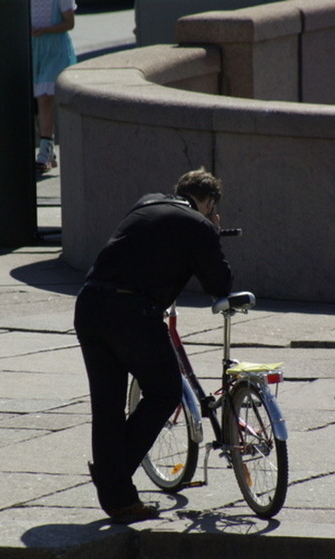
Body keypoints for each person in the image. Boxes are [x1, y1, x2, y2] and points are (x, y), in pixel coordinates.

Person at [73, 168, 233, 523]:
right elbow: (220, 283)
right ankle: (113, 481)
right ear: (207, 203)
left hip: (90, 303)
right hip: (133, 313)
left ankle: (118, 497)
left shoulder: (146, 203)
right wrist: (213, 234)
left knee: (107, 408)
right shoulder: (199, 224)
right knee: (164, 392)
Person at [30, 0, 77, 172]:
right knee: (38, 99)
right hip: (33, 49)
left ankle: (44, 151)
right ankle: (47, 146)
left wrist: (45, 30)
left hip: (55, 49)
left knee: (45, 98)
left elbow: (69, 23)